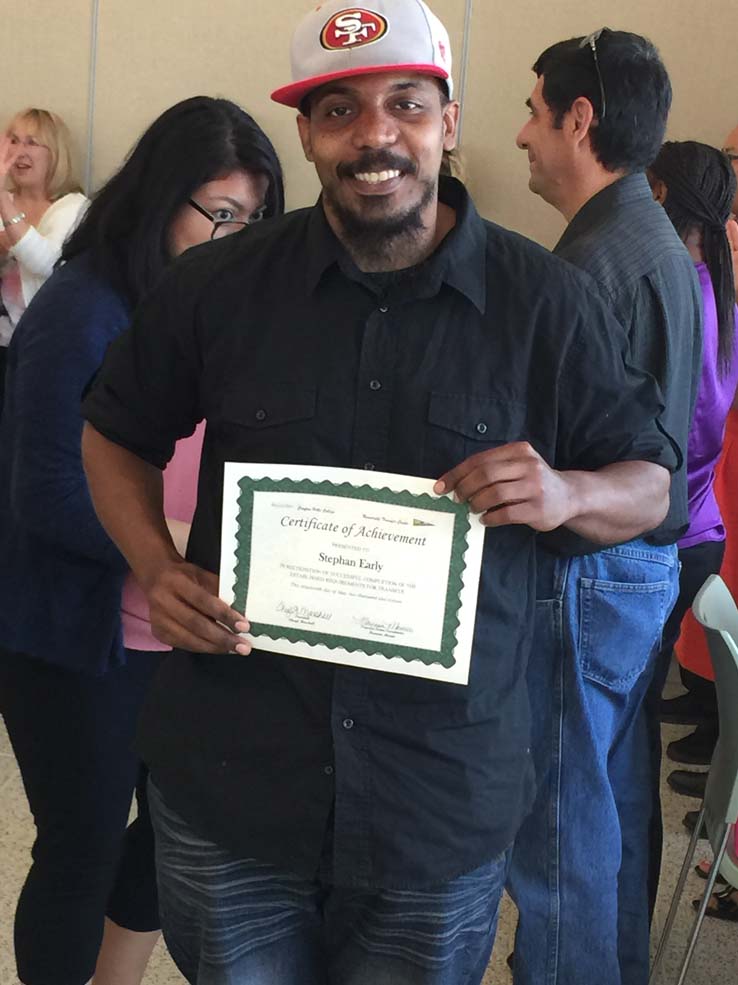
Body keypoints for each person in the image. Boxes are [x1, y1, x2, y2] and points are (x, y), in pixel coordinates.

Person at [80, 3, 680, 983]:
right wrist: (153, 561)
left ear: (448, 122)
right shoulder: (219, 288)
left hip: (437, 806)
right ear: (308, 134)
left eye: (406, 102)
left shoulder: (547, 304)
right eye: (338, 109)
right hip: (236, 786)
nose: (375, 134)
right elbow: (113, 433)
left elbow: (650, 485)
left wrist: (569, 493)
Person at [0, 95, 284, 985]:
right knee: (80, 848)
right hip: (81, 642)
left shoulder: (201, 305)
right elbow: (46, 492)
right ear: (164, 198)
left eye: (257, 220)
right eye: (224, 216)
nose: (239, 238)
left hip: (178, 633)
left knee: (174, 831)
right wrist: (169, 555)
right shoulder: (82, 309)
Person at [509, 29, 702, 985]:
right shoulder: (651, 234)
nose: (519, 137)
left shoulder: (591, 263)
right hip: (639, 564)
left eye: (532, 113)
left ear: (579, 119)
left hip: (586, 567)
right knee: (613, 801)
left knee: (558, 827)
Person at [647, 142, 738, 810]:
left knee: (629, 722)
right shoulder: (720, 289)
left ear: (657, 196)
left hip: (669, 530)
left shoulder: (681, 297)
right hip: (700, 525)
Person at [0, 108, 88, 411]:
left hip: (42, 348)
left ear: (56, 153)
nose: (19, 152)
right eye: (13, 140)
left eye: (32, 142)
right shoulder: (8, 199)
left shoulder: (72, 207)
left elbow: (46, 263)